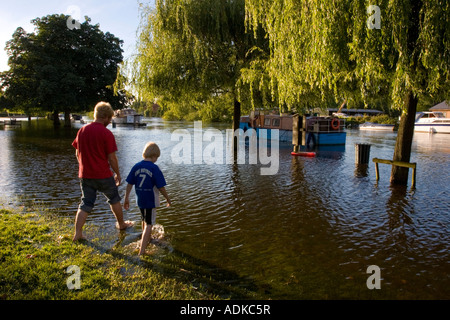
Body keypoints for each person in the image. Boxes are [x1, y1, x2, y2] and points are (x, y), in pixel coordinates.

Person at [72, 101, 132, 241]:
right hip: (103, 175)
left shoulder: (82, 131)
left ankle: (78, 234)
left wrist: (84, 166)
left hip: (85, 175)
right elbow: (112, 158)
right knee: (114, 199)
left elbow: (77, 153)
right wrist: (117, 173)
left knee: (86, 203)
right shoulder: (106, 133)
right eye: (109, 118)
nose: (110, 121)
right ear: (105, 117)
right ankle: (121, 224)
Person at [124, 141, 171, 255]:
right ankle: (142, 251)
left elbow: (129, 183)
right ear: (154, 156)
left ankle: (146, 239)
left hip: (140, 199)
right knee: (149, 224)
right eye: (157, 157)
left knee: (144, 220)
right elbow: (161, 186)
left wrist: (126, 198)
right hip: (151, 200)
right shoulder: (154, 168)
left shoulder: (136, 166)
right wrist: (167, 198)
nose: (157, 160)